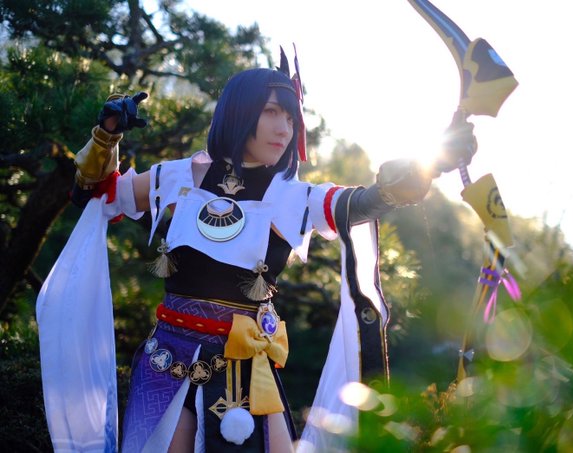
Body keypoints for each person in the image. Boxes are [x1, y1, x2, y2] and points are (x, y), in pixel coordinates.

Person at [37, 51, 476, 453]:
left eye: (290, 117)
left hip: (247, 370)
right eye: (271, 112)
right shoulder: (182, 175)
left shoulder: (294, 196)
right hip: (169, 361)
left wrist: (427, 167)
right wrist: (106, 136)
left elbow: (359, 203)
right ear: (239, 112)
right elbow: (98, 196)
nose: (285, 128)